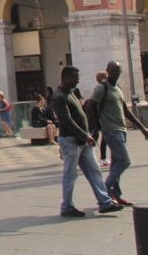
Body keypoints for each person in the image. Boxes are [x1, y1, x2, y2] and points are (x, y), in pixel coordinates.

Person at [52, 66, 124, 218]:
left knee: (94, 171)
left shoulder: (71, 92)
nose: (77, 80)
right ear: (65, 77)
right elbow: (66, 120)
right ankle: (66, 207)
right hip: (70, 140)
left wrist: (87, 134)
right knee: (70, 175)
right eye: (75, 77)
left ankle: (105, 202)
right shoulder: (59, 96)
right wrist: (86, 135)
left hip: (82, 141)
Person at [92, 61, 148, 206]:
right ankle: (105, 190)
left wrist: (142, 128)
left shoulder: (117, 88)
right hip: (110, 130)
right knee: (125, 161)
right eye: (112, 70)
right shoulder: (101, 88)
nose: (115, 73)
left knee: (116, 163)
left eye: (118, 70)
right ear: (107, 71)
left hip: (121, 129)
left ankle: (116, 195)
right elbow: (90, 107)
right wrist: (95, 129)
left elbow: (125, 110)